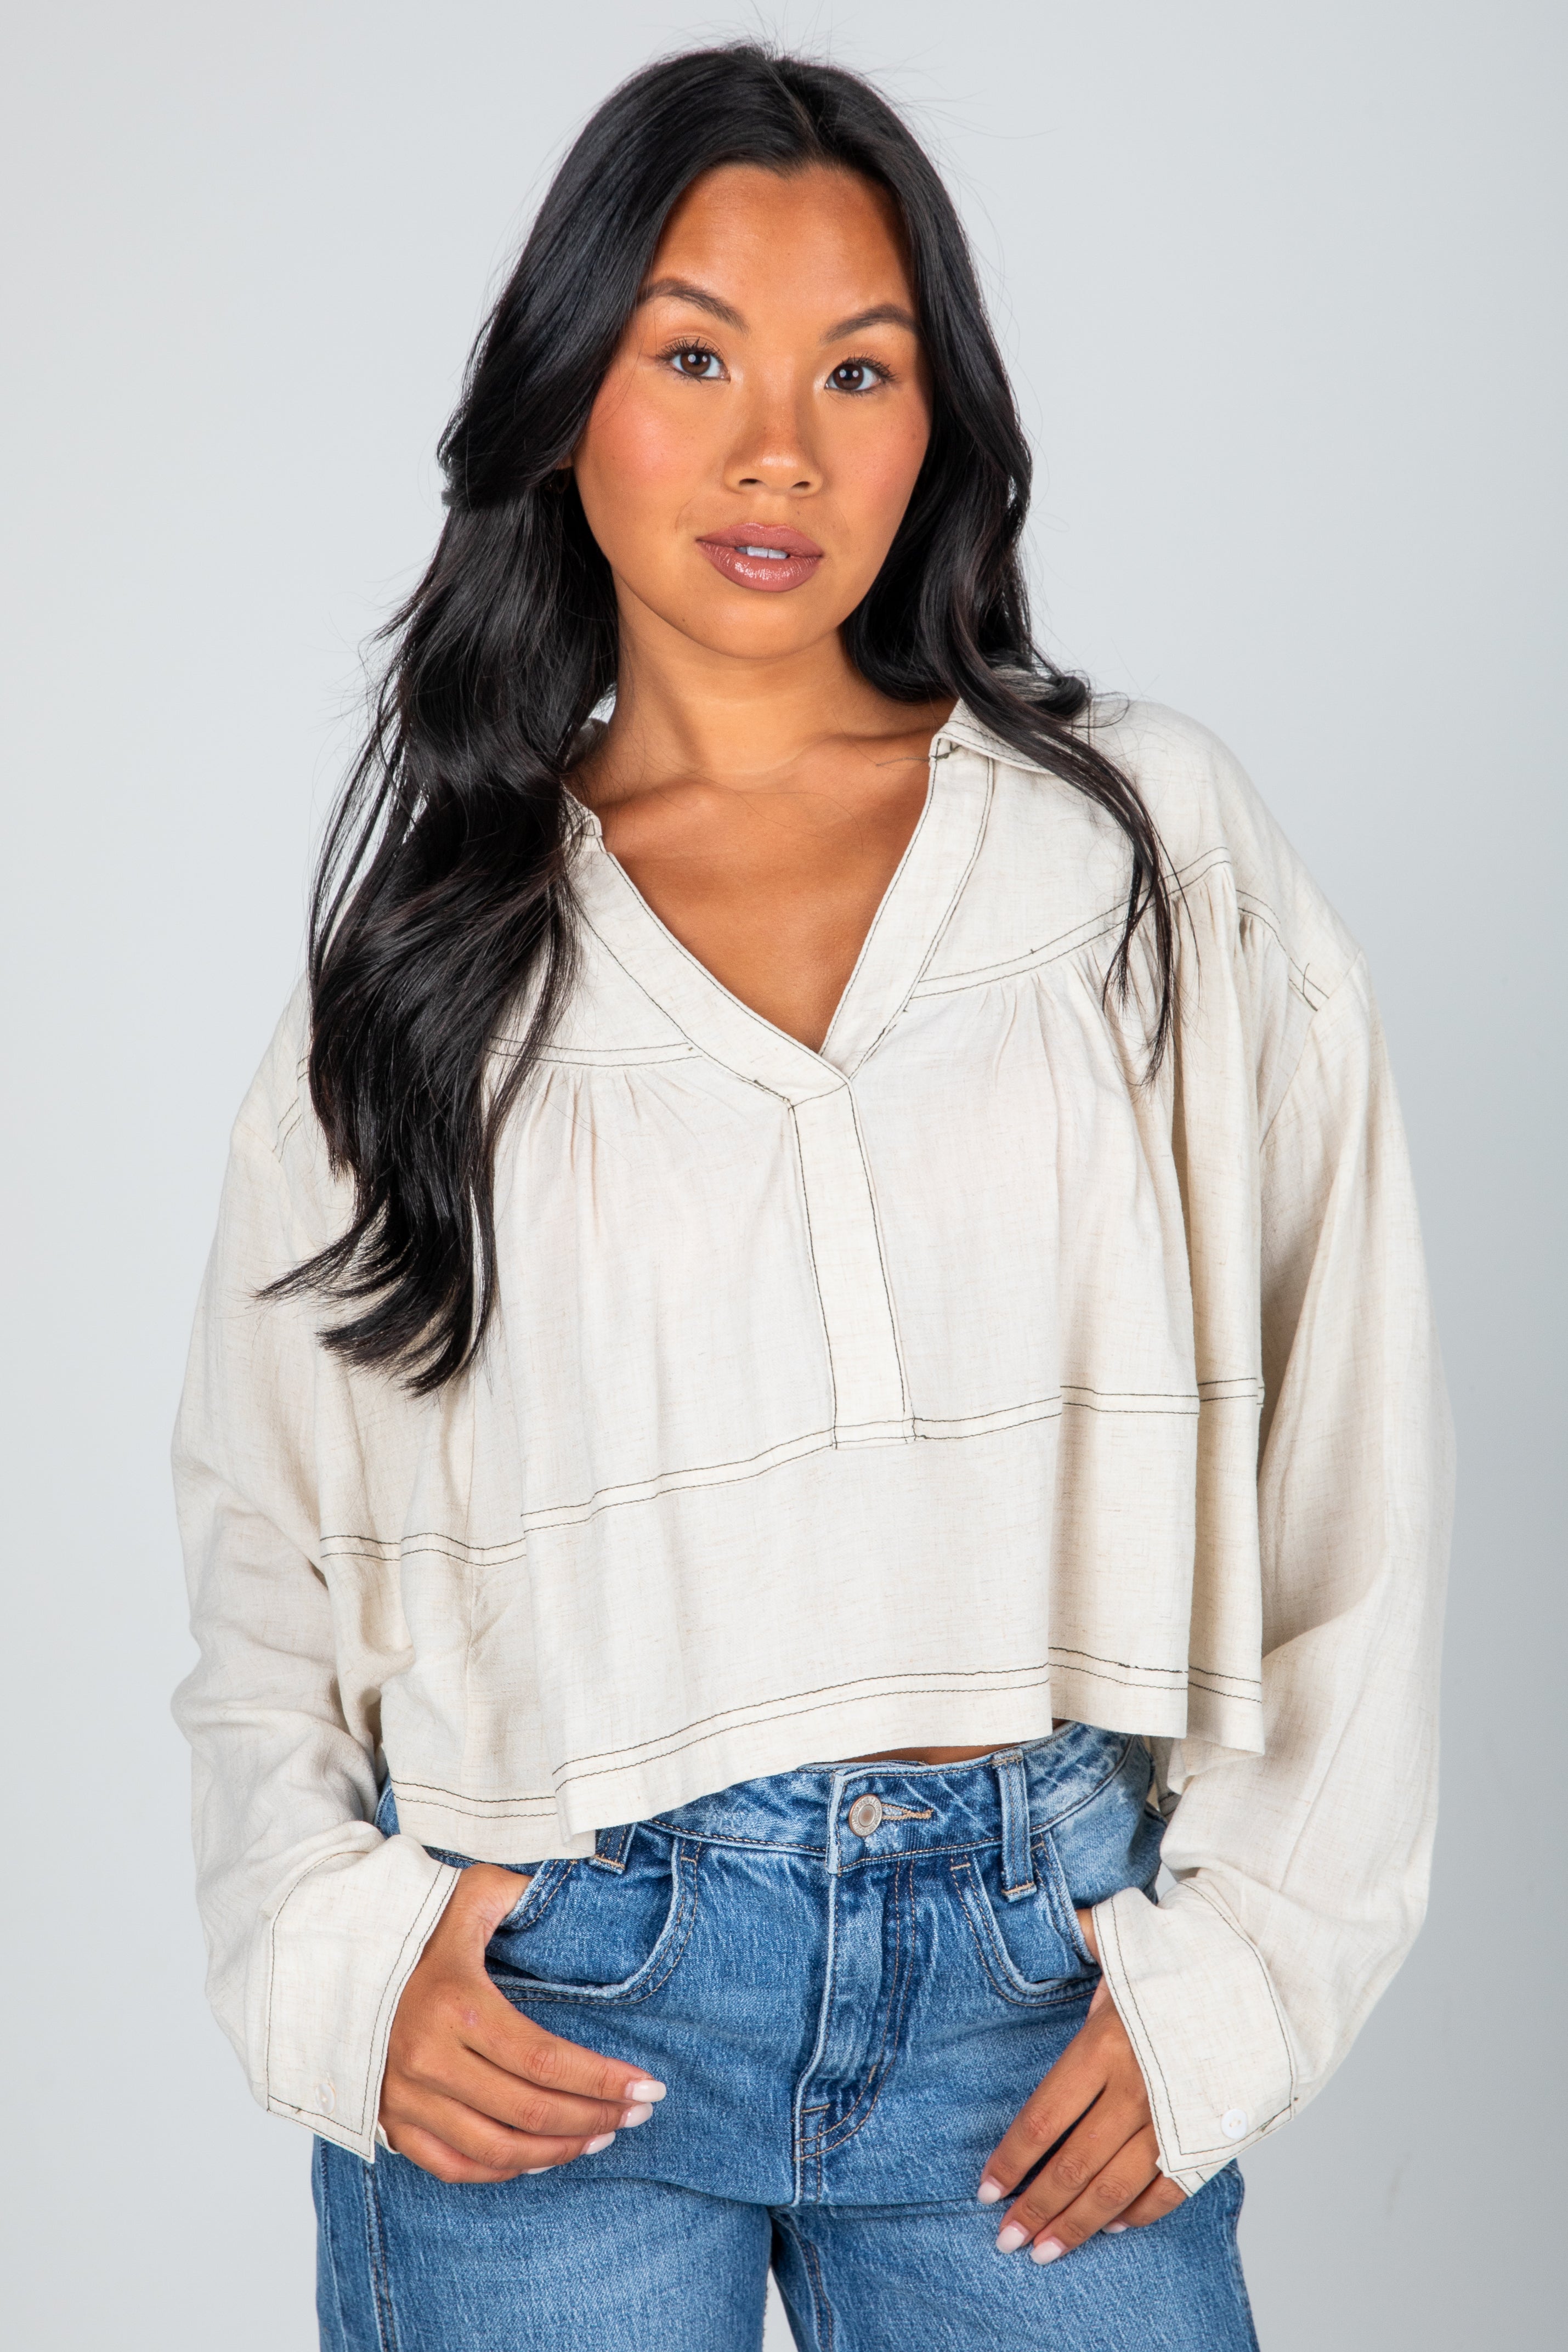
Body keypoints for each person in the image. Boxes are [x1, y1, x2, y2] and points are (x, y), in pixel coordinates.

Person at [172, 44, 1451, 2352]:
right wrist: (331, 1957)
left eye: (861, 368)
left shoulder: (1138, 857)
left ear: (937, 418)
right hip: (554, 1990)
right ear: (569, 397)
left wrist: (1247, 1976)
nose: (782, 447)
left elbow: (1348, 1448)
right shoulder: (432, 955)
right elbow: (267, 1535)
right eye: (694, 356)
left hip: (1032, 1991)